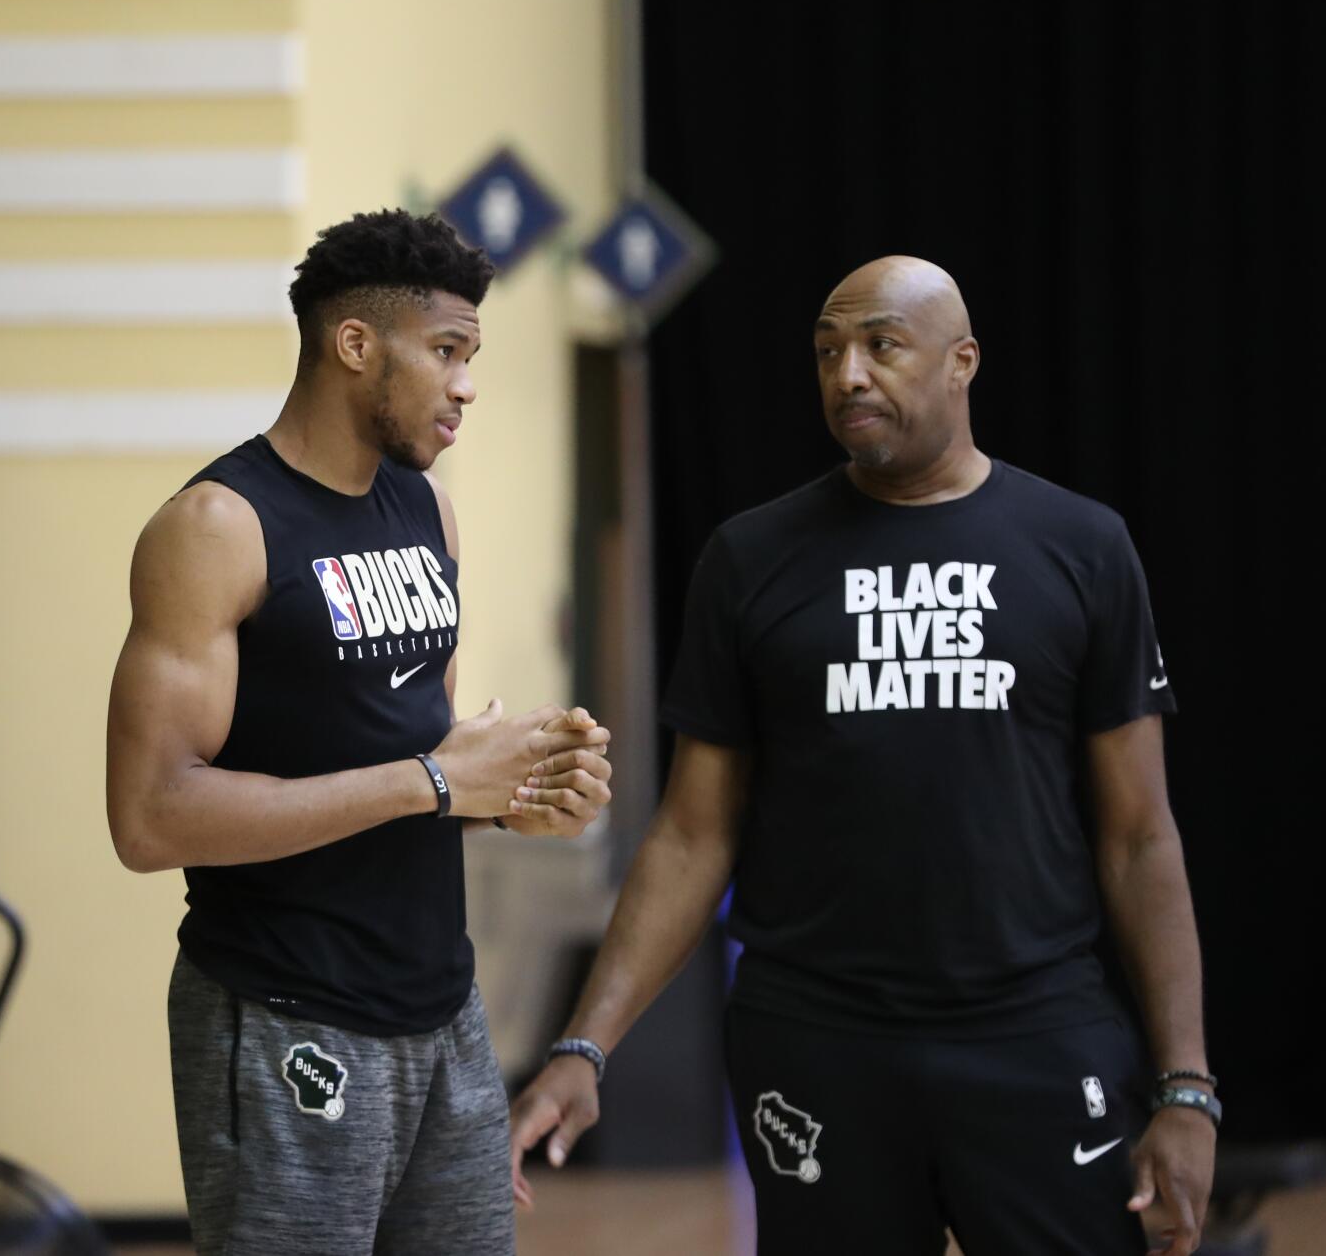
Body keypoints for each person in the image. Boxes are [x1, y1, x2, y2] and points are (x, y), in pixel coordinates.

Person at [510, 256, 1217, 1255]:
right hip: (815, 1041)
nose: (846, 374)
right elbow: (689, 833)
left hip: (1035, 1033)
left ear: (959, 362)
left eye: (880, 344)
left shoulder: (1080, 547)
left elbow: (1139, 835)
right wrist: (584, 1044)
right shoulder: (749, 559)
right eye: (825, 351)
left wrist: (1184, 1085)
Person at [106, 209, 614, 1256]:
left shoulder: (426, 513)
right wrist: (433, 781)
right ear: (353, 345)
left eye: (470, 356)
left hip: (442, 1007)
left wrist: (509, 798)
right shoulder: (216, 527)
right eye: (445, 352)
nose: (465, 385)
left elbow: (412, 763)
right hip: (283, 1008)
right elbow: (149, 817)